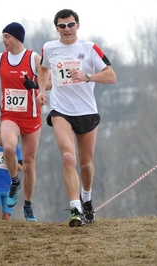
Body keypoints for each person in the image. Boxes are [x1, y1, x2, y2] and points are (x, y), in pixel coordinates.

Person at [36, 9, 117, 227]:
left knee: (86, 164)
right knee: (68, 158)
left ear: (77, 25)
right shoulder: (49, 48)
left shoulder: (89, 48)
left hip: (87, 112)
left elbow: (111, 76)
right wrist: (42, 90)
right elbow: (42, 70)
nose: (67, 29)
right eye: (62, 26)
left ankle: (87, 200)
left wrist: (87, 76)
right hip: (61, 111)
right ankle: (75, 208)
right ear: (56, 28)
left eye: (70, 25)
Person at [0, 22, 50, 221]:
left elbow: (48, 82)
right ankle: (15, 181)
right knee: (8, 149)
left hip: (31, 116)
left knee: (30, 165)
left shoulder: (33, 58)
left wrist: (37, 88)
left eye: (7, 36)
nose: (3, 41)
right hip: (10, 115)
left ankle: (28, 205)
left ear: (17, 38)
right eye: (2, 37)